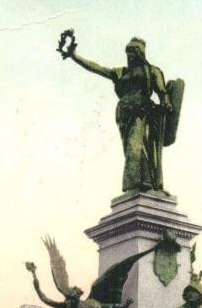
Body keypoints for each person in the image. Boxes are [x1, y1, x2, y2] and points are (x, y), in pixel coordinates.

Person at [66, 37, 173, 194]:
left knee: (136, 147)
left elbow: (162, 92)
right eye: (127, 53)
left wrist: (166, 102)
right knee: (130, 149)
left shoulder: (151, 71)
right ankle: (141, 183)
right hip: (124, 114)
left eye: (132, 52)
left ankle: (144, 182)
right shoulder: (121, 72)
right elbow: (97, 68)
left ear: (140, 53)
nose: (129, 56)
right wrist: (75, 56)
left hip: (141, 112)